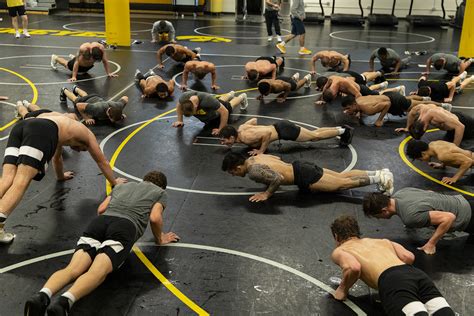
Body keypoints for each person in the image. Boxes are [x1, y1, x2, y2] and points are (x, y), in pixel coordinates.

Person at [24, 170, 179, 315]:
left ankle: (42, 296)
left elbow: (101, 209)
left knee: (72, 268)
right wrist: (160, 238)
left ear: (144, 179)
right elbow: (155, 217)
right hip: (124, 228)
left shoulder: (122, 186)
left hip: (99, 223)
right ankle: (64, 302)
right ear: (162, 186)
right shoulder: (160, 193)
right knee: (97, 272)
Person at [0, 115, 127, 243]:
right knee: (22, 180)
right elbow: (102, 161)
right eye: (84, 149)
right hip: (40, 130)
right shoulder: (87, 135)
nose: (80, 151)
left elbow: (57, 158)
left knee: (7, 178)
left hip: (22, 126)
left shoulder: (62, 128)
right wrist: (115, 183)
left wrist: (61, 176)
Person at [330, 215, 455, 315]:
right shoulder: (382, 241)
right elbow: (409, 257)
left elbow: (353, 267)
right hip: (415, 274)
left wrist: (342, 289)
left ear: (336, 236)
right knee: (444, 313)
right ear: (357, 232)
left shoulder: (341, 250)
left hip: (392, 280)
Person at [221, 152, 393, 202]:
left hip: (303, 175)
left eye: (233, 172)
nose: (234, 175)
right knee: (341, 176)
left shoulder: (253, 171)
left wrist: (266, 194)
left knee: (341, 184)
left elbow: (277, 178)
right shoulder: (255, 157)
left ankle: (381, 180)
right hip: (300, 165)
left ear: (237, 167)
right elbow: (277, 160)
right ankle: (378, 173)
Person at [363, 187, 474, 254]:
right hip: (463, 200)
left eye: (377, 216)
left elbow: (449, 218)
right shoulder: (401, 192)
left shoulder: (410, 217)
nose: (378, 219)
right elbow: (428, 192)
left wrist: (431, 243)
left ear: (384, 211)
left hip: (469, 217)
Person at [219, 118, 354, 155]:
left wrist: (261, 150)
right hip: (280, 126)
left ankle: (344, 132)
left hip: (285, 131)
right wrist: (257, 130)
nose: (223, 142)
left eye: (224, 140)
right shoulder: (242, 128)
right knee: (314, 132)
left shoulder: (246, 137)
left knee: (315, 136)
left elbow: (267, 134)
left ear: (231, 137)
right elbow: (253, 120)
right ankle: (339, 129)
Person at [341, 93, 450, 127]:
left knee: (420, 105)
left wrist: (379, 120)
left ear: (354, 104)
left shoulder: (368, 109)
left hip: (394, 101)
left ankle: (443, 105)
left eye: (348, 108)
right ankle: (423, 97)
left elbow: (387, 104)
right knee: (410, 100)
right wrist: (355, 111)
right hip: (388, 95)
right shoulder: (358, 99)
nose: (347, 110)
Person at [172, 91, 248, 136]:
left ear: (195, 106)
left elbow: (225, 112)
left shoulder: (207, 100)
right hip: (211, 108)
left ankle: (241, 97)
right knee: (219, 101)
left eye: (193, 113)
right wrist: (180, 120)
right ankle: (230, 94)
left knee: (229, 106)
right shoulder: (184, 98)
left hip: (216, 113)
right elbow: (179, 105)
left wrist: (221, 129)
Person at [402, 104, 474, 147]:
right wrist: (407, 127)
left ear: (425, 128)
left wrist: (454, 147)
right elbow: (411, 113)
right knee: (445, 143)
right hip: (451, 125)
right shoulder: (421, 108)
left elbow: (461, 127)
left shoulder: (436, 116)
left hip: (465, 123)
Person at [406, 140, 473, 184]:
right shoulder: (433, 144)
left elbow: (468, 162)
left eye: (420, 159)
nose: (422, 161)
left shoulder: (443, 156)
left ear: (423, 153)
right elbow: (451, 152)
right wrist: (442, 165)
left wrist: (454, 178)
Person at [51, 42, 118, 82]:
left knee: (82, 71)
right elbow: (77, 61)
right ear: (91, 55)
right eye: (93, 59)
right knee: (67, 64)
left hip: (87, 67)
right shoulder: (83, 48)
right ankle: (55, 58)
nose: (93, 60)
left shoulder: (101, 48)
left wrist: (109, 73)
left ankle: (75, 57)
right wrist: (74, 76)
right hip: (79, 64)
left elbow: (105, 61)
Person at [60, 86, 127, 125]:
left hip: (96, 98)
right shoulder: (98, 109)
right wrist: (86, 118)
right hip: (88, 101)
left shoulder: (118, 106)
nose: (114, 122)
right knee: (75, 99)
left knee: (85, 95)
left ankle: (76, 89)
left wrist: (119, 114)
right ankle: (64, 90)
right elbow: (79, 105)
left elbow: (125, 98)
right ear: (108, 115)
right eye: (113, 120)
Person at [317, 75, 402, 105]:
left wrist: (358, 111)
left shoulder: (344, 83)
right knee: (376, 93)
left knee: (378, 95)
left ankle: (398, 89)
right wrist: (322, 99)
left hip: (361, 90)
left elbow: (358, 95)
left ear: (335, 94)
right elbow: (324, 89)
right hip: (353, 92)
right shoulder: (331, 79)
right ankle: (382, 85)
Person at [315, 70, 385, 90]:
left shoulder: (334, 82)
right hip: (344, 73)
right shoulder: (325, 77)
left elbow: (352, 79)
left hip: (350, 76)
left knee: (364, 79)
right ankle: (376, 73)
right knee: (362, 76)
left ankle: (378, 73)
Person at [14, 100, 79, 121]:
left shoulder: (71, 118)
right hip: (42, 118)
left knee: (39, 110)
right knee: (25, 115)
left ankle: (26, 104)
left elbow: (73, 115)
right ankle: (19, 104)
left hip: (48, 112)